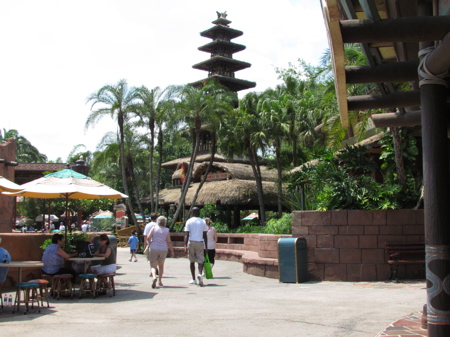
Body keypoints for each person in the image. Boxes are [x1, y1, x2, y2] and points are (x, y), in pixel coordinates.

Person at [148, 216, 174, 288]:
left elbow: (148, 237)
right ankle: (160, 281)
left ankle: (154, 277)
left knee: (153, 265)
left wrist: (150, 243)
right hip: (163, 248)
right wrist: (172, 251)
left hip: (153, 248)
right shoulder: (166, 230)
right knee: (161, 266)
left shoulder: (154, 228)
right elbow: (169, 241)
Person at [184, 207, 208, 286]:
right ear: (199, 213)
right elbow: (205, 235)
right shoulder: (203, 222)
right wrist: (206, 246)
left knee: (192, 261)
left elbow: (186, 234)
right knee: (200, 260)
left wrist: (185, 245)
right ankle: (200, 274)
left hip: (191, 242)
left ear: (192, 213)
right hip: (200, 242)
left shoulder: (189, 221)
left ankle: (193, 279)